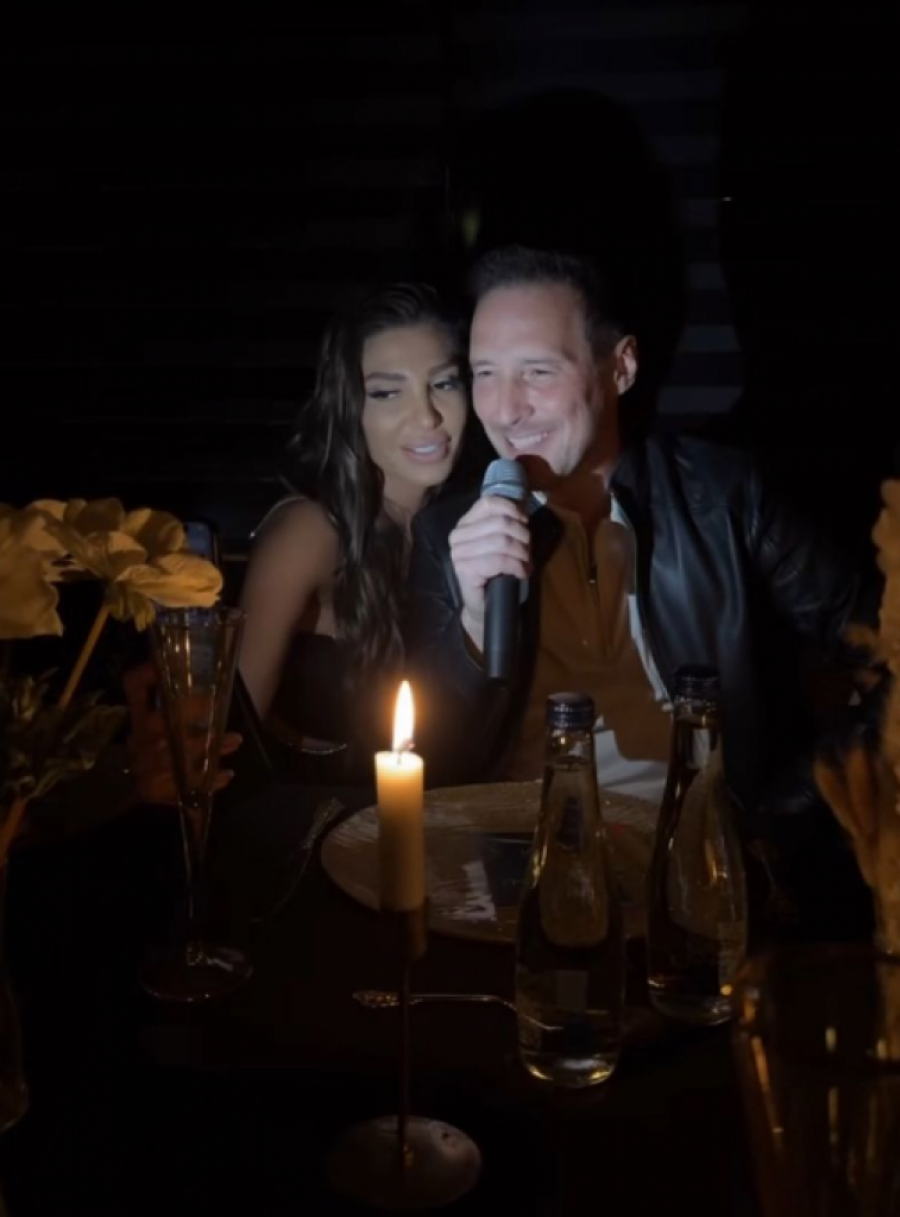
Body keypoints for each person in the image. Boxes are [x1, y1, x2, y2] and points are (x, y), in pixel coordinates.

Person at [407, 245, 879, 898]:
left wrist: (779, 820)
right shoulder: (449, 534)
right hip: (514, 866)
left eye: (537, 372)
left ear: (621, 366)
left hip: (702, 871)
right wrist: (474, 618)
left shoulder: (724, 499)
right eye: (485, 373)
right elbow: (425, 758)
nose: (505, 409)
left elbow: (886, 656)